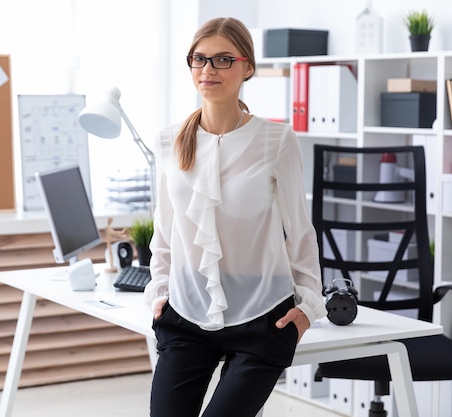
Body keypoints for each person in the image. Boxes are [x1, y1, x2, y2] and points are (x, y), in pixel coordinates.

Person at [143, 17, 327, 417]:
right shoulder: (168, 140)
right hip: (187, 314)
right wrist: (160, 291)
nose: (208, 70)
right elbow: (165, 231)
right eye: (199, 59)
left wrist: (308, 309)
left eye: (223, 59)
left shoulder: (277, 141)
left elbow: (300, 232)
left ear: (247, 67)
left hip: (263, 317)